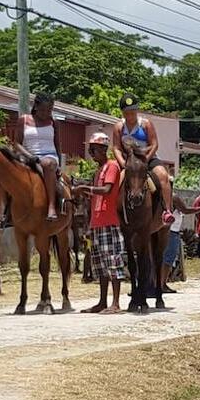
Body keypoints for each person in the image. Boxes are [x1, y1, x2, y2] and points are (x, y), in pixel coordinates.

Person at [74, 133, 126, 314]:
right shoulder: (98, 171)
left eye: (94, 149)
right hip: (97, 222)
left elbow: (107, 189)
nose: (91, 153)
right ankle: (102, 301)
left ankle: (116, 303)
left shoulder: (112, 166)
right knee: (100, 265)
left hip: (110, 221)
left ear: (104, 149)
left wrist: (85, 188)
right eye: (90, 150)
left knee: (113, 262)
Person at [111, 93, 174, 225]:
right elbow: (116, 147)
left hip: (147, 159)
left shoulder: (145, 124)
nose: (130, 115)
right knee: (117, 180)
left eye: (133, 112)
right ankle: (114, 212)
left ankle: (166, 210)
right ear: (122, 113)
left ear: (137, 111)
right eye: (127, 112)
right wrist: (123, 163)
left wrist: (145, 160)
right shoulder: (118, 127)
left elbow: (154, 144)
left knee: (163, 176)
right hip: (129, 162)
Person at [14, 93, 61, 221]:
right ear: (36, 106)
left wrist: (60, 165)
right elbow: (17, 143)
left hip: (49, 156)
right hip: (27, 156)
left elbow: (57, 145)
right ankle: (3, 212)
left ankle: (51, 207)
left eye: (49, 110)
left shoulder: (54, 122)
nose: (46, 113)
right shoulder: (23, 120)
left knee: (47, 163)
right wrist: (29, 156)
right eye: (43, 110)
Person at [161, 180, 200, 294]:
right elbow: (186, 210)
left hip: (166, 231)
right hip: (172, 232)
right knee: (168, 259)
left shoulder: (160, 197)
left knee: (163, 259)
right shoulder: (173, 197)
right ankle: (161, 284)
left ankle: (159, 283)